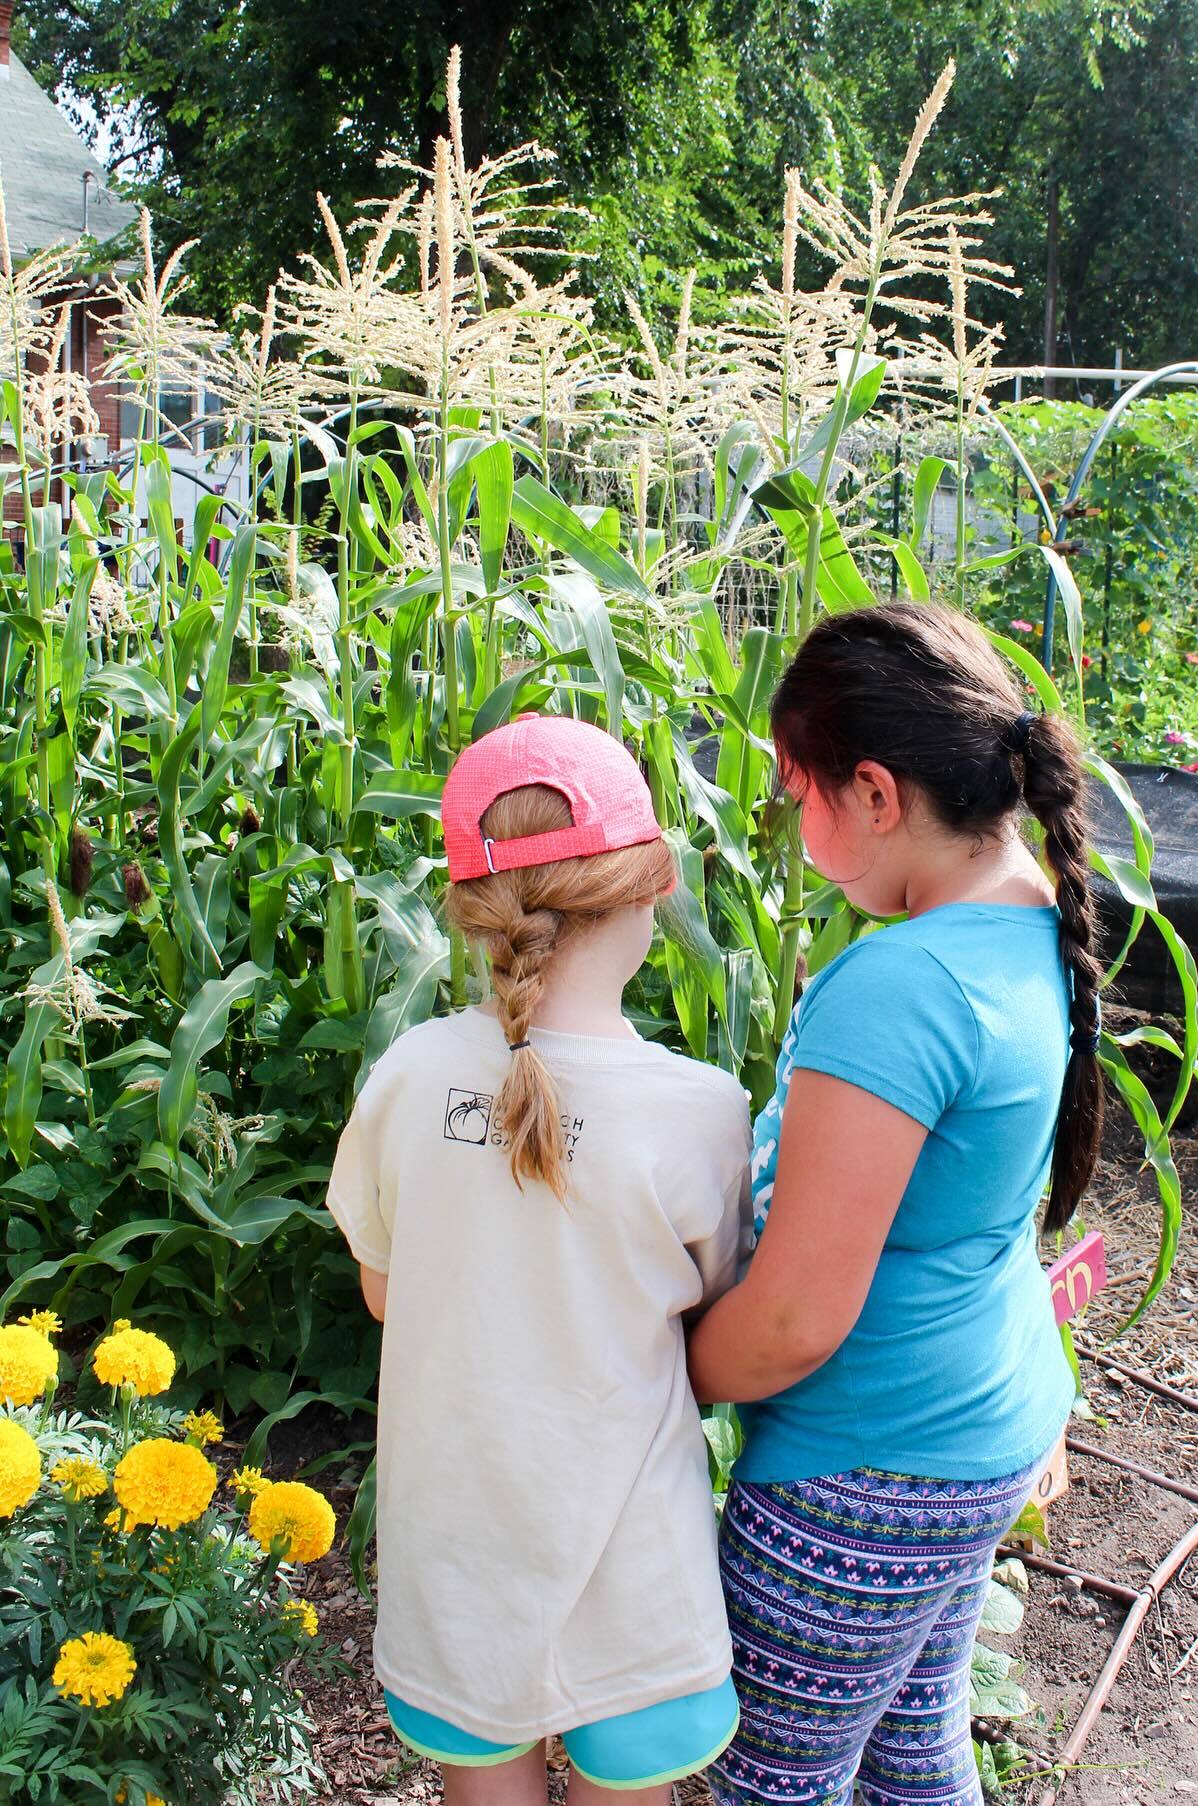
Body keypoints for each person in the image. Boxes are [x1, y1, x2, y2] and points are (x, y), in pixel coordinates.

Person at [687, 602, 1099, 1806]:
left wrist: (651, 1374)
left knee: (777, 1782)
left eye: (795, 793)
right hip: (977, 1426)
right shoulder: (1032, 920)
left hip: (864, 1472)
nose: (788, 825)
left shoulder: (903, 989)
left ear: (873, 792)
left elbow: (795, 1321)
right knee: (914, 1756)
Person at [326, 713, 752, 1806]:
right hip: (636, 1578)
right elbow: (712, 1319)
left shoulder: (408, 1077)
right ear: (653, 884)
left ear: (472, 910)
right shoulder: (700, 1113)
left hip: (456, 1567)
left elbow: (386, 1292)